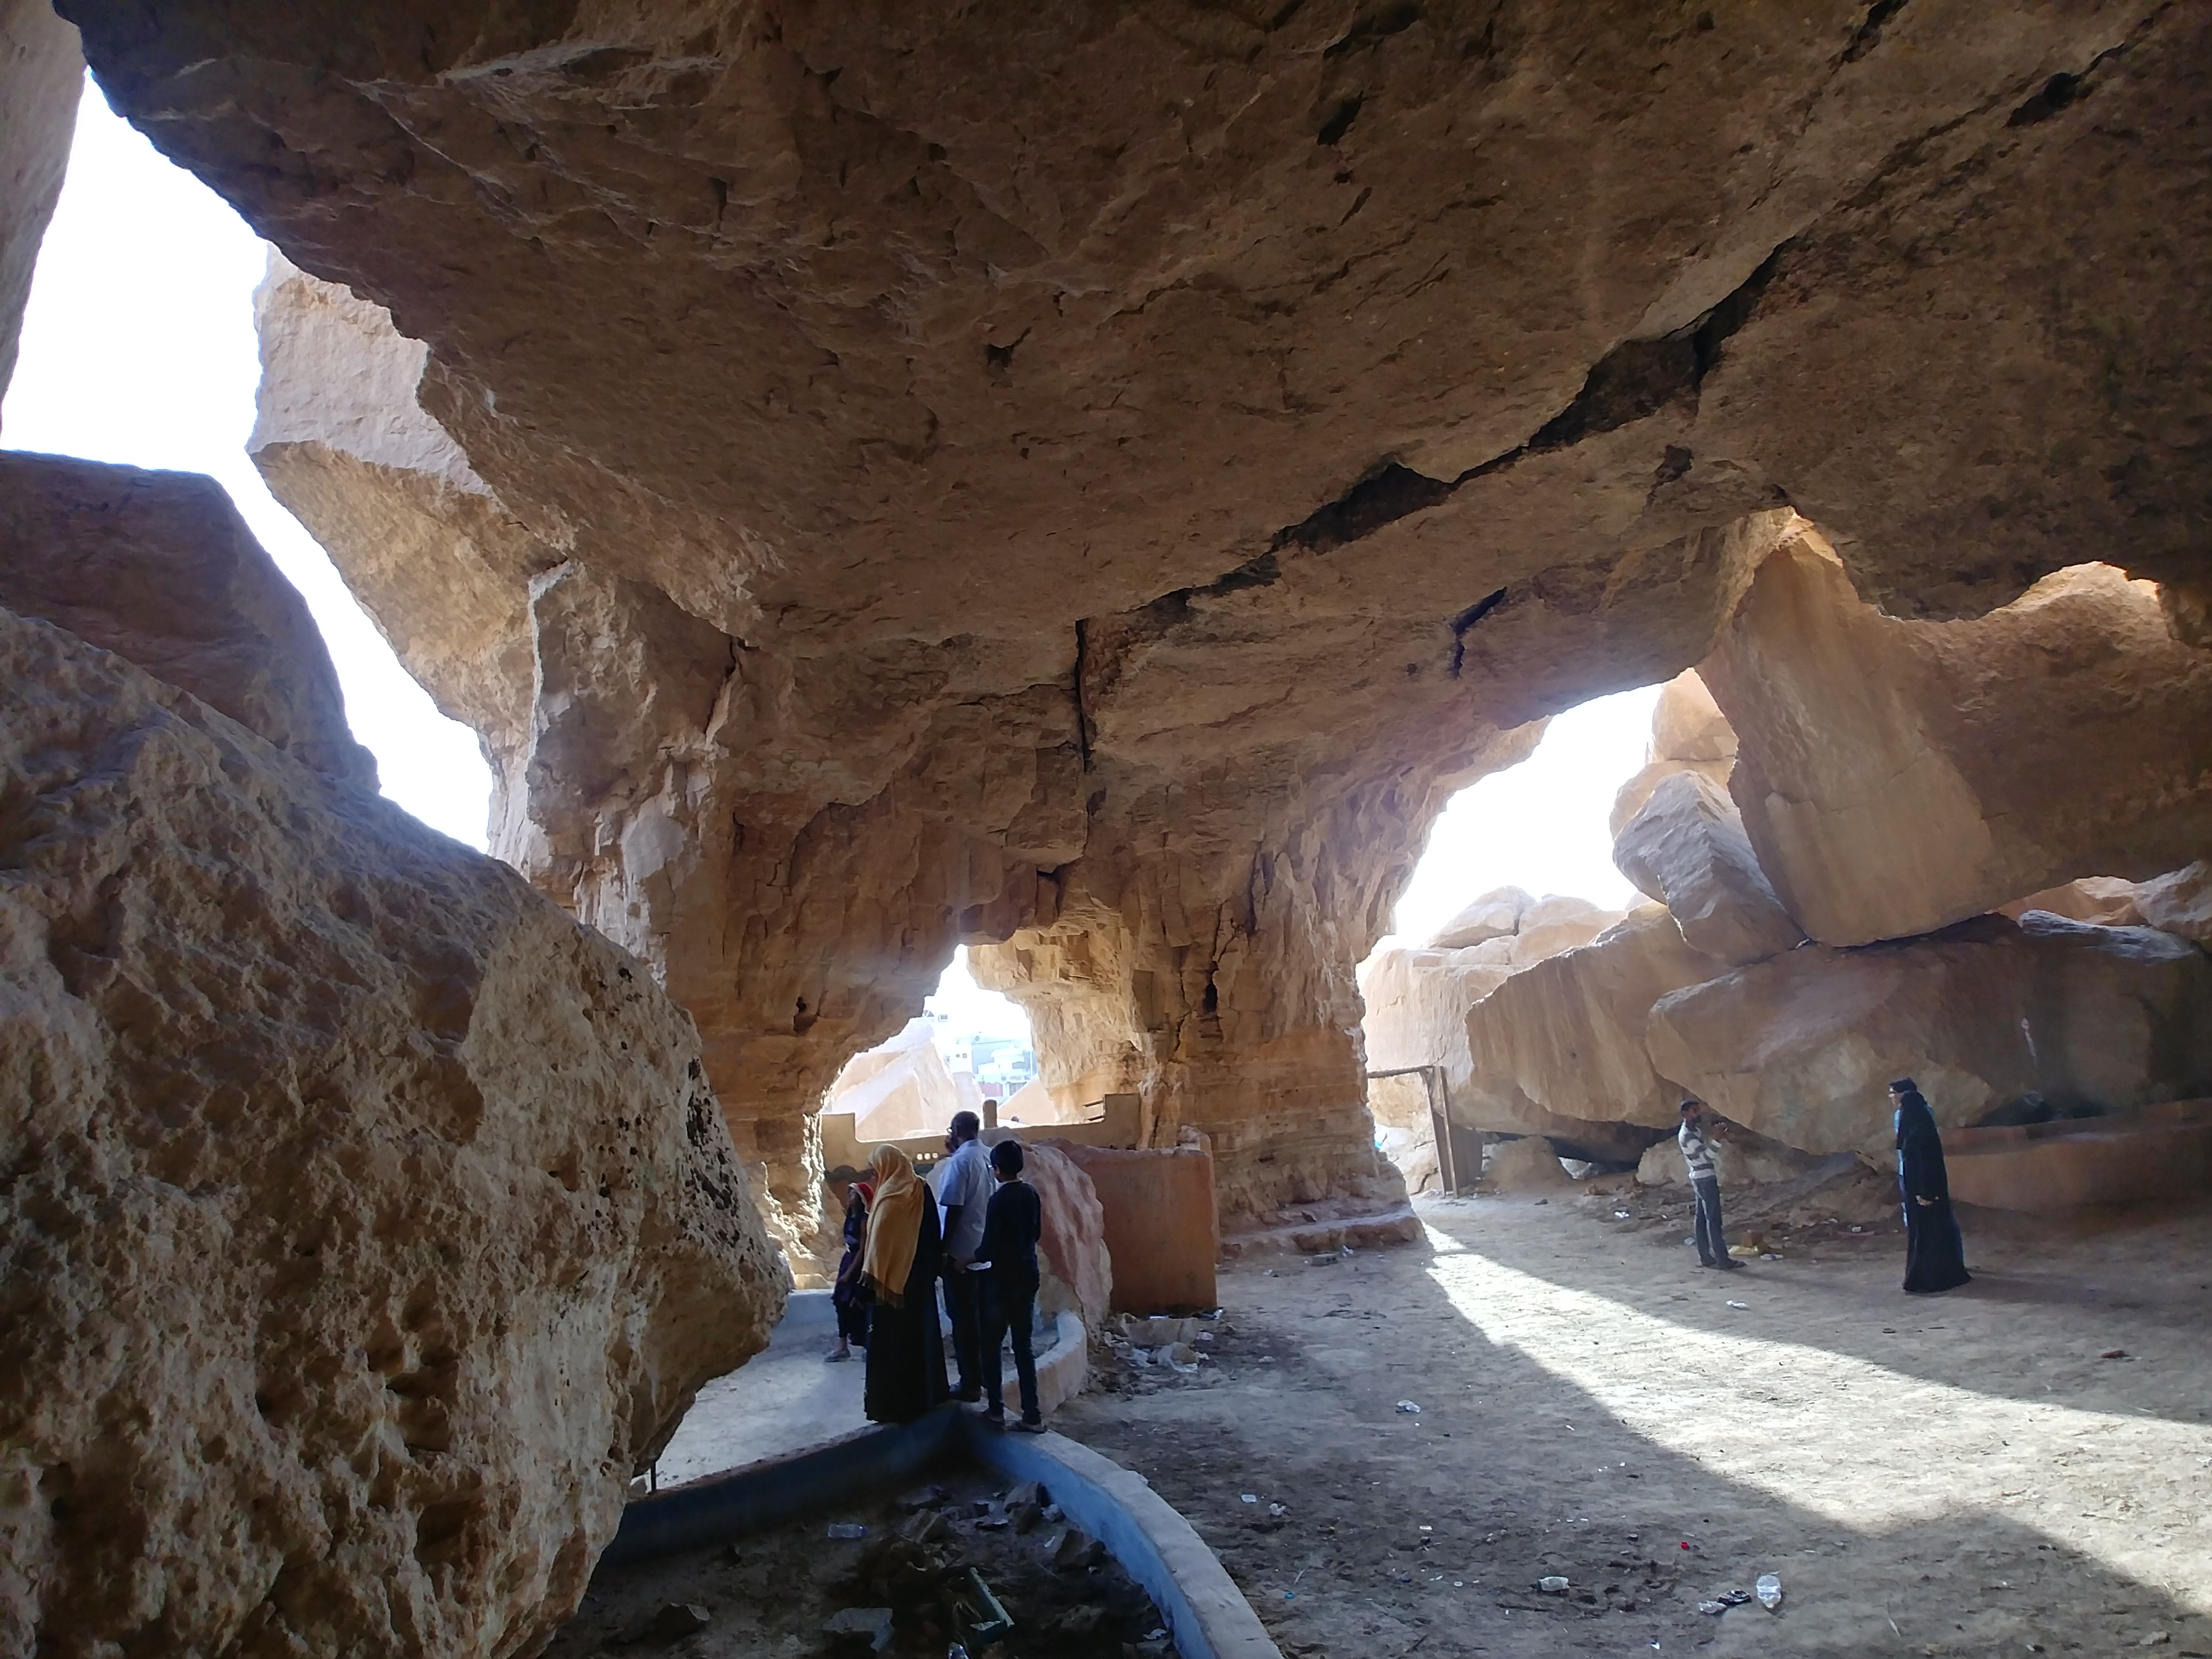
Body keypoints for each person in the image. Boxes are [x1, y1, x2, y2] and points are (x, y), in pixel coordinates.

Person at [860, 1144, 951, 1423]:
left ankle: (893, 1406)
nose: (876, 1175)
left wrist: (870, 1284)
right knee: (920, 1340)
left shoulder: (888, 1197)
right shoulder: (920, 1189)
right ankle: (927, 1397)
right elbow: (934, 1234)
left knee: (894, 1346)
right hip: (918, 1283)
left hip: (890, 1289)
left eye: (877, 1169)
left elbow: (878, 1244)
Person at [974, 1138, 1046, 1433]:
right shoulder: (1031, 1194)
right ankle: (1032, 1414)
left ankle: (995, 1409)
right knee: (1023, 1346)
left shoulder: (998, 1200)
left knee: (991, 1346)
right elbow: (1036, 1233)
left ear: (998, 1169)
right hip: (1028, 1274)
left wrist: (966, 1259)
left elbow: (988, 1248)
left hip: (1002, 1280)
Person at [932, 1109, 993, 1402]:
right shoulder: (987, 1156)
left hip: (960, 1256)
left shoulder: (961, 1162)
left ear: (956, 1129)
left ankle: (970, 1384)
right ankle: (983, 1378)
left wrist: (942, 1250)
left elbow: (953, 1208)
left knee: (964, 1321)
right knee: (980, 1319)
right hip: (983, 1252)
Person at [1892, 1078, 1972, 1294]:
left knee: (1930, 1235)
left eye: (1894, 1094)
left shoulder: (1919, 1131)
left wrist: (1926, 1193)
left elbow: (1926, 1163)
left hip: (1924, 1191)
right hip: (1919, 1189)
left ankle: (1932, 1277)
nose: (1892, 1098)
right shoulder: (1919, 1125)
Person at [1679, 1099, 1740, 1270]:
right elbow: (1706, 1157)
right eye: (1694, 1111)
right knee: (1713, 1220)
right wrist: (1717, 1139)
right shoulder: (1688, 1136)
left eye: (1698, 1110)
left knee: (1701, 1219)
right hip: (1704, 1179)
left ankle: (1706, 1257)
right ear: (1685, 1114)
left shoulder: (1694, 1131)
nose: (1698, 1114)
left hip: (1699, 1178)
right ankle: (1723, 1259)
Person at [825, 1164, 872, 1362]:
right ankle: (842, 1345)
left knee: (860, 1303)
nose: (849, 1196)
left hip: (857, 1263)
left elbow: (863, 1247)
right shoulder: (850, 1216)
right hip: (849, 1260)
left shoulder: (863, 1219)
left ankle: (866, 1345)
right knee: (841, 1302)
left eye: (853, 1194)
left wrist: (850, 1272)